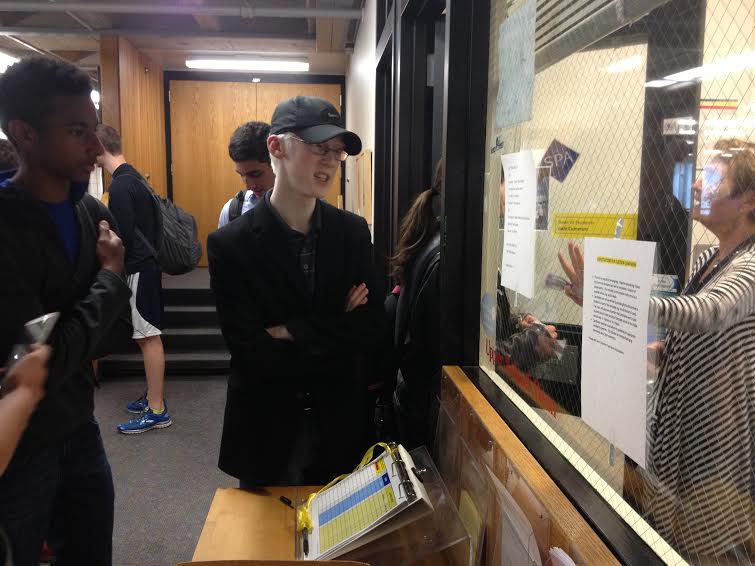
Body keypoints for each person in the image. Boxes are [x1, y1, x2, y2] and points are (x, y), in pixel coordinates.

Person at [558, 140, 755, 560]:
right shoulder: (708, 256)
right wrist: (668, 348)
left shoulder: (751, 264)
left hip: (715, 449)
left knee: (708, 548)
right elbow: (700, 333)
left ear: (747, 202)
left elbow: (708, 312)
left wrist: (608, 298)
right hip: (678, 437)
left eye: (715, 179)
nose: (698, 183)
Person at [208, 95, 384, 487]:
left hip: (341, 428)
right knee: (265, 545)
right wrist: (336, 325)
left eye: (337, 152)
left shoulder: (352, 233)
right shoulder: (230, 244)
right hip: (266, 430)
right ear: (276, 146)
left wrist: (292, 331)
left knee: (341, 543)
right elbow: (248, 349)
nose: (330, 161)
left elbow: (372, 328)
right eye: (319, 147)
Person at [0, 56, 132, 566]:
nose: (96, 148)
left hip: (79, 423)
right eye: (77, 131)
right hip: (19, 443)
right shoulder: (6, 229)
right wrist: (110, 279)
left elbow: (115, 333)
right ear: (24, 134)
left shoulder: (91, 213)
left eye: (94, 130)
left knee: (93, 549)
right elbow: (38, 364)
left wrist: (79, 326)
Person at [96, 124, 171, 434]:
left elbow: (122, 236)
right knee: (147, 336)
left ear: (99, 146)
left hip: (139, 267)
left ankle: (157, 410)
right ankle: (153, 399)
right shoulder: (135, 178)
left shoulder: (122, 186)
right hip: (148, 264)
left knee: (147, 338)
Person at [389, 164, 443, 450]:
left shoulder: (433, 239)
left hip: (413, 401)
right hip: (429, 413)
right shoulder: (445, 256)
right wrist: (528, 344)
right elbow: (445, 353)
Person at [217, 121, 275, 228]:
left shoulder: (308, 207)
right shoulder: (231, 211)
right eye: (242, 175)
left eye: (256, 174)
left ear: (276, 163)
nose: (249, 186)